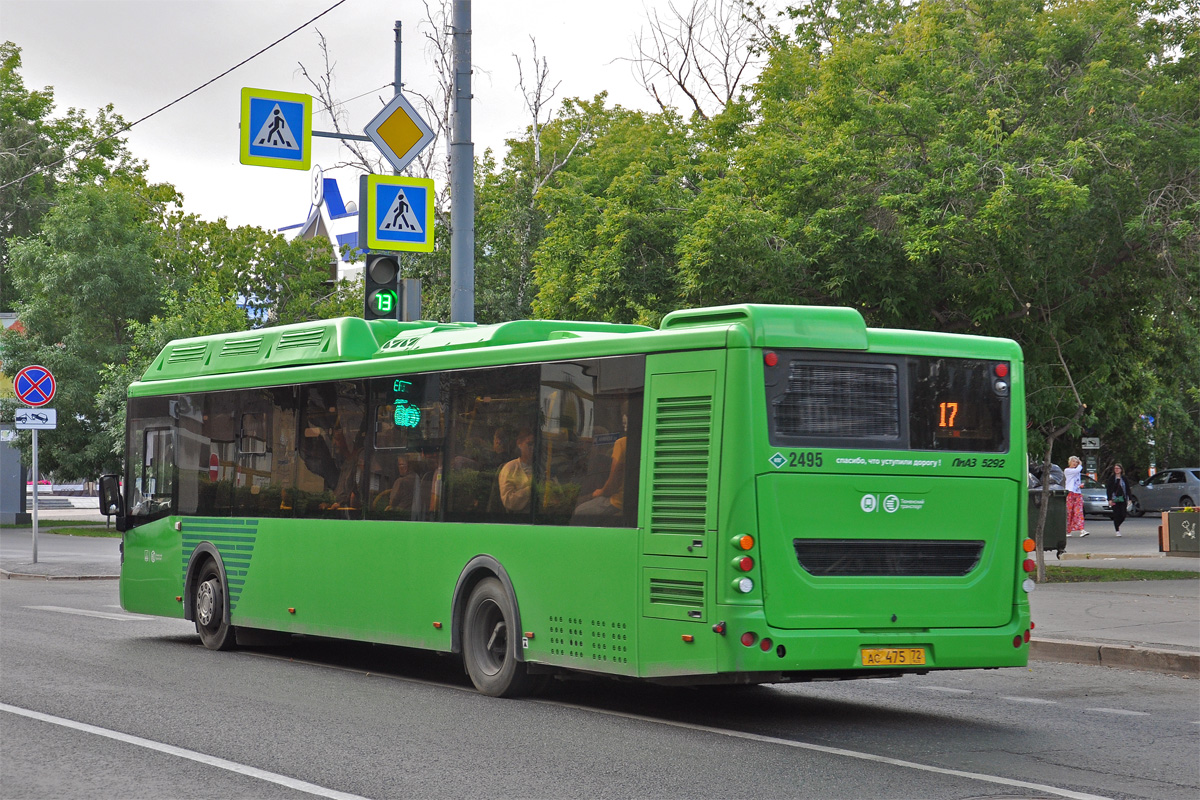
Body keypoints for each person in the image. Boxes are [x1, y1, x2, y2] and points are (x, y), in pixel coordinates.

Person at [571, 436, 627, 522]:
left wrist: (600, 492)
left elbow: (613, 484)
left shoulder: (622, 443)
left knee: (579, 511)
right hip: (629, 501)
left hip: (618, 502)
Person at [498, 429, 535, 512]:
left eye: (537, 445)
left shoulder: (544, 468)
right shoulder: (510, 468)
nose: (533, 448)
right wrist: (532, 489)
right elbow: (509, 501)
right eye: (530, 444)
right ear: (519, 444)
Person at [1064, 456, 1088, 537]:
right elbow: (1077, 470)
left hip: (1077, 492)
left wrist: (1079, 485)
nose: (1075, 463)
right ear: (1070, 462)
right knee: (1069, 512)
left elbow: (1077, 480)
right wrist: (1080, 464)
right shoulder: (1067, 470)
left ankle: (1081, 529)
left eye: (1076, 462)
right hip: (1070, 492)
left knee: (1078, 511)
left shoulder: (1077, 471)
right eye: (1073, 461)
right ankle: (1068, 530)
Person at [1106, 463, 1132, 536]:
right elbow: (1109, 489)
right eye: (1115, 469)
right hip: (1115, 498)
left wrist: (1129, 498)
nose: (1116, 470)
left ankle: (1118, 524)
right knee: (1116, 514)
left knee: (1123, 514)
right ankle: (1117, 530)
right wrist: (1109, 499)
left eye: (1118, 468)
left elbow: (1127, 488)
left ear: (1121, 469)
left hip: (1123, 498)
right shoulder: (1112, 478)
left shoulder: (1124, 478)